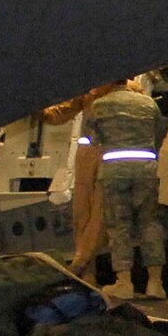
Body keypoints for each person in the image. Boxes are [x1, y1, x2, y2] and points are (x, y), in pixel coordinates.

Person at [89, 77, 167, 296]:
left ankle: (124, 283)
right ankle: (155, 283)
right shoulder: (148, 104)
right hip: (146, 170)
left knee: (118, 225)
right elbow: (158, 131)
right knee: (150, 224)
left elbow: (92, 140)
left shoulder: (100, 105)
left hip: (114, 172)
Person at [40, 84, 114, 282]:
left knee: (100, 214)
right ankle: (87, 275)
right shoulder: (87, 92)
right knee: (81, 214)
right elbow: (60, 114)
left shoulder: (129, 91)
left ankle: (80, 263)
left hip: (111, 155)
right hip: (87, 156)